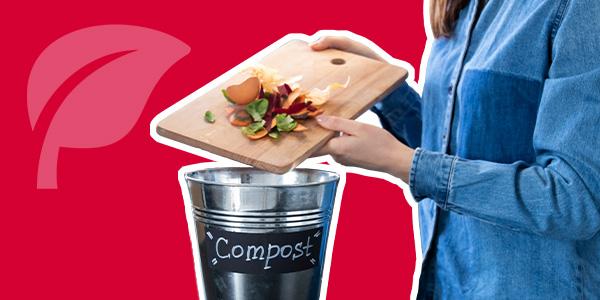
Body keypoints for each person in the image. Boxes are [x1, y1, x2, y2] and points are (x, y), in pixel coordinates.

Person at [310, 0, 600, 298]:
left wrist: (408, 164)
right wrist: (386, 89)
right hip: (447, 285)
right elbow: (462, 147)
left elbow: (575, 199)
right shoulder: (463, 6)